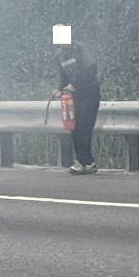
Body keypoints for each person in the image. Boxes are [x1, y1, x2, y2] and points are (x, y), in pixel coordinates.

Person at [53, 37, 101, 175]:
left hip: (90, 92)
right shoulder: (58, 56)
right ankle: (84, 162)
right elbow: (64, 76)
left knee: (85, 127)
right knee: (74, 127)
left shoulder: (80, 49)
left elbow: (91, 70)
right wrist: (59, 89)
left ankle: (86, 162)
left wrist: (75, 84)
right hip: (74, 96)